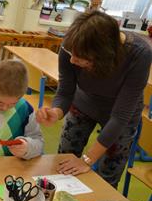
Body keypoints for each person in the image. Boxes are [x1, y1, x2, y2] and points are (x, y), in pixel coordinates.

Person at [36, 10, 152, 188]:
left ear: (104, 56)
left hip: (121, 116)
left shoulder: (139, 54)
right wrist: (56, 111)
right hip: (83, 104)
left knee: (107, 178)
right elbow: (66, 91)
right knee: (64, 162)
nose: (73, 60)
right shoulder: (72, 45)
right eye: (71, 54)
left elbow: (120, 117)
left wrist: (87, 160)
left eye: (82, 59)